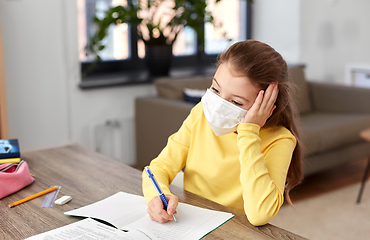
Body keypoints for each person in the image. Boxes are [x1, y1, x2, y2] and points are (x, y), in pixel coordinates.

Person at [142, 39, 304, 226]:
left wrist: (249, 133)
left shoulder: (280, 140)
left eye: (236, 102)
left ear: (268, 104)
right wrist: (157, 196)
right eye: (215, 89)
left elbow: (260, 215)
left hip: (234, 229)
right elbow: (159, 167)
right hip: (190, 221)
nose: (218, 106)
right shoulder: (201, 113)